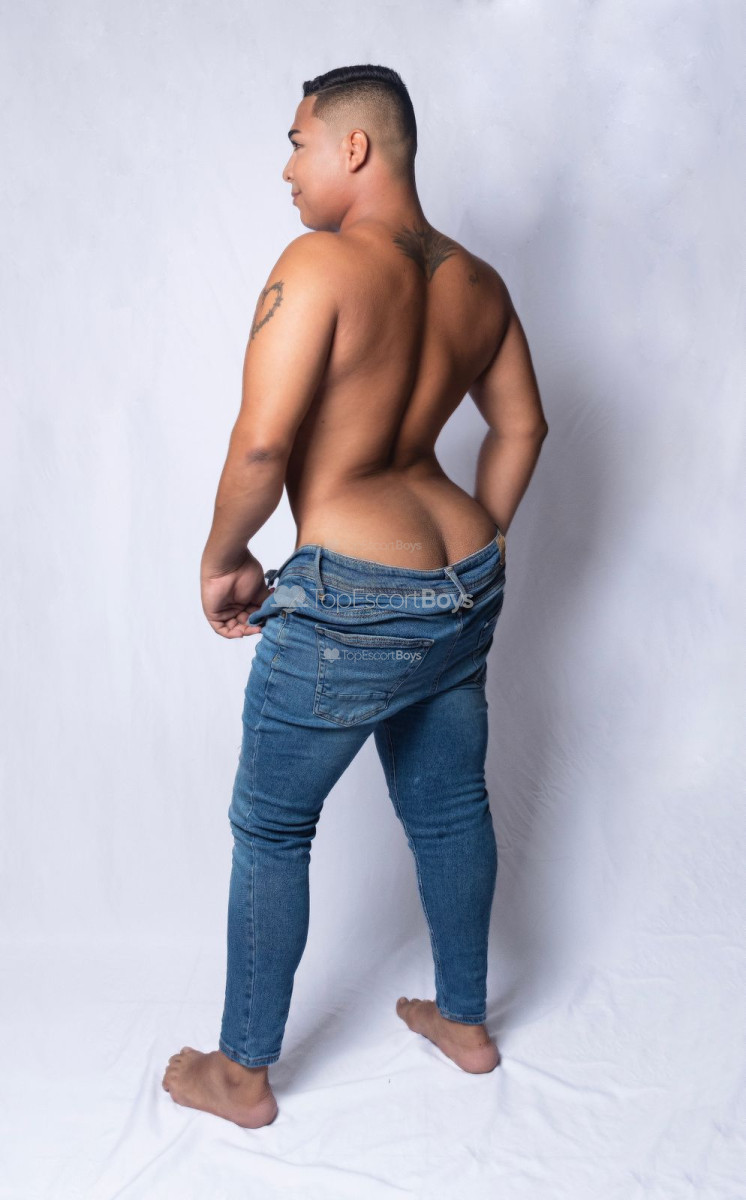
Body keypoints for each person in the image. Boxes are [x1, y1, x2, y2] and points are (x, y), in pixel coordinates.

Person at [162, 63, 548, 1128]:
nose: (287, 170)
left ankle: (242, 1074)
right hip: (462, 585)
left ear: (355, 147)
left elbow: (263, 443)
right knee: (450, 807)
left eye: (297, 144)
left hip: (352, 595)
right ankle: (464, 1021)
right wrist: (474, 548)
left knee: (272, 826)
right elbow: (523, 426)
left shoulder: (320, 265)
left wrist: (222, 557)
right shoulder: (478, 284)